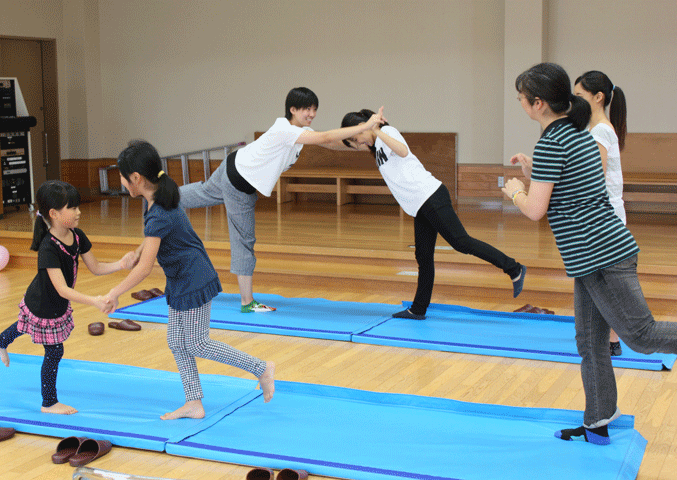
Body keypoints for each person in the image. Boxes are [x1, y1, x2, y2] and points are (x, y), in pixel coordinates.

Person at [503, 62, 677, 445]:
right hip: (592, 257)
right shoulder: (579, 135)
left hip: (602, 255)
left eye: (520, 99)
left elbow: (535, 209)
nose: (520, 104)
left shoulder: (552, 141)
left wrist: (515, 189)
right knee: (590, 341)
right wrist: (534, 173)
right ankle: (598, 420)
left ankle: (599, 417)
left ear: (538, 104)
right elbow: (569, 189)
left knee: (642, 336)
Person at [105, 140, 275, 420]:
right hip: (180, 278)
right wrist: (135, 252)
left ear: (135, 179)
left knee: (196, 342)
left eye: (123, 177)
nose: (122, 183)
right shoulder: (158, 197)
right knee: (176, 341)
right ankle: (193, 402)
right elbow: (155, 239)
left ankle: (261, 367)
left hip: (193, 278)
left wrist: (115, 292)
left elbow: (146, 268)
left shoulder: (159, 208)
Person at [179, 87, 385, 313]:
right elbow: (325, 137)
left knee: (203, 193)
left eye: (314, 109)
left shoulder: (298, 131)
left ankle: (160, 196)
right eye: (307, 109)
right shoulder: (285, 130)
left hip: (234, 165)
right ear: (293, 109)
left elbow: (330, 143)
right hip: (239, 182)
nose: (312, 113)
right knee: (244, 241)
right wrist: (364, 126)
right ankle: (247, 303)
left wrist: (363, 143)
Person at [340, 110, 526, 320]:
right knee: (423, 256)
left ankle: (514, 268)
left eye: (357, 137)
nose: (359, 142)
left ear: (365, 125)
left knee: (461, 242)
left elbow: (402, 151)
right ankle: (418, 309)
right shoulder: (375, 147)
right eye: (354, 141)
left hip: (430, 196)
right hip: (419, 205)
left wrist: (375, 129)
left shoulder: (387, 132)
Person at [0, 180, 136, 415]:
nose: (78, 212)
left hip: (54, 302)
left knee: (24, 326)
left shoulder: (77, 237)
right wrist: (95, 301)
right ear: (54, 214)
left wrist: (122, 264)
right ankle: (49, 403)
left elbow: (96, 267)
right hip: (43, 303)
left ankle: (0, 341)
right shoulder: (48, 247)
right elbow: (62, 289)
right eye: (73, 208)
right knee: (53, 350)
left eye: (77, 207)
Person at [574, 70, 629, 356]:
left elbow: (593, 176)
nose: (575, 101)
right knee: (601, 281)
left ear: (598, 98)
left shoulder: (601, 131)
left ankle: (612, 340)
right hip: (608, 216)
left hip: (605, 219)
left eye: (580, 96)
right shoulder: (601, 129)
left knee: (605, 283)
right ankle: (609, 339)